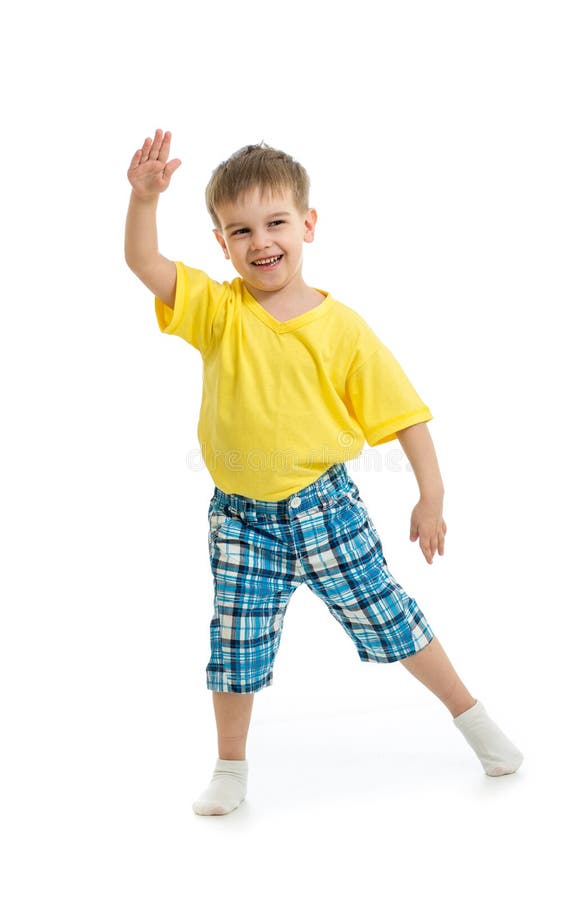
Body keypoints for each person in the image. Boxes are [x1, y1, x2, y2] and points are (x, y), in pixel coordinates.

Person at [124, 128, 524, 816]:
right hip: (242, 520)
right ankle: (229, 768)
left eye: (276, 223)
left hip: (326, 509)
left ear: (307, 224)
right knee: (235, 642)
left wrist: (431, 496)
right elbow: (144, 261)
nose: (261, 241)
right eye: (241, 230)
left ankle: (475, 720)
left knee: (390, 618)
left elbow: (407, 417)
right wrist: (143, 200)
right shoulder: (218, 311)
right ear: (222, 243)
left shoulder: (344, 330)